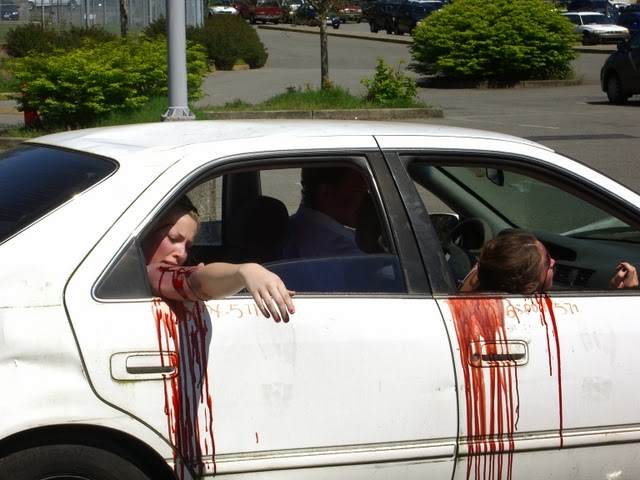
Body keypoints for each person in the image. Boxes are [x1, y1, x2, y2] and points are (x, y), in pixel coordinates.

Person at [142, 196, 295, 323]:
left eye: (188, 247)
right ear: (146, 232)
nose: (182, 254)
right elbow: (194, 282)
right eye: (173, 238)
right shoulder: (148, 273)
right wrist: (246, 271)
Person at [460, 231, 638, 294]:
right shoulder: (534, 318)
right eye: (546, 261)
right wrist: (626, 294)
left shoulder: (478, 272)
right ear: (529, 288)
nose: (553, 261)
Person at [279, 166, 369, 259]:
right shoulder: (346, 251)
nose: (366, 200)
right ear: (325, 192)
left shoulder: (290, 227)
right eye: (358, 192)